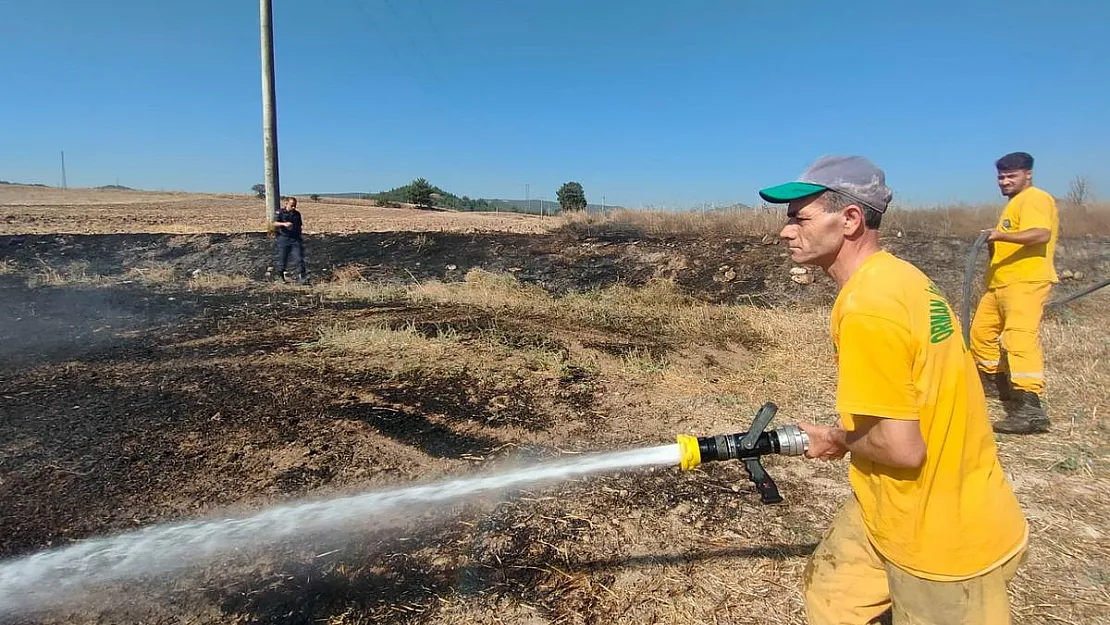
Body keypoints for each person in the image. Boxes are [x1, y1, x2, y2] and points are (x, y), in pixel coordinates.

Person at [758, 155, 1029, 625]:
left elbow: (902, 450)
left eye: (799, 217)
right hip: (888, 506)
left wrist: (834, 439)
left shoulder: (868, 308)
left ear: (849, 220)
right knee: (834, 599)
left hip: (944, 541)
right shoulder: (902, 278)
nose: (785, 231)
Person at [969, 151, 1058, 434]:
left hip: (1026, 281)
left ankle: (1030, 407)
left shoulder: (1035, 198)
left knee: (1019, 338)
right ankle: (999, 386)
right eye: (1001, 177)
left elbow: (1040, 234)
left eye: (1011, 176)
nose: (1005, 181)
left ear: (1028, 174)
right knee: (981, 334)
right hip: (1000, 283)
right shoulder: (1014, 204)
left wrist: (1000, 235)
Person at [273, 196, 309, 284]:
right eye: (292, 205)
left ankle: (301, 277)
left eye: (295, 206)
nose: (293, 207)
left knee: (298, 258)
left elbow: (299, 225)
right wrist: (284, 224)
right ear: (286, 203)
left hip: (295, 239)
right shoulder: (280, 212)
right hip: (283, 238)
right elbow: (274, 223)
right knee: (282, 258)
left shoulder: (297, 214)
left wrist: (300, 236)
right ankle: (280, 277)